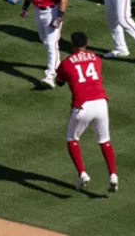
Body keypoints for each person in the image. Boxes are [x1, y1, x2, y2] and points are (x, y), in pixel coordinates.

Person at [56, 31, 119, 193]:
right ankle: (113, 174)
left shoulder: (66, 63)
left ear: (72, 45)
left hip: (83, 106)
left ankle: (82, 173)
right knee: (104, 140)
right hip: (101, 103)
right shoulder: (96, 58)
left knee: (71, 138)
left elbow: (60, 82)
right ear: (87, 43)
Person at [21, 0, 68, 88]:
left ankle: (50, 76)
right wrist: (25, 6)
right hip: (37, 10)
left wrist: (59, 17)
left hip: (51, 12)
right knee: (44, 40)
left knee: (51, 43)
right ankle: (59, 66)